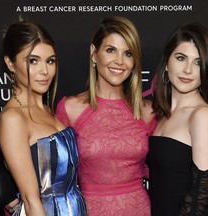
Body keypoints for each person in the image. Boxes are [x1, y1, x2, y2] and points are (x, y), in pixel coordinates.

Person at [56, 16, 156, 216]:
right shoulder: (70, 109)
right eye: (111, 50)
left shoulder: (147, 111)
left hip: (138, 209)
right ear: (94, 54)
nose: (119, 61)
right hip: (89, 210)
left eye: (128, 53)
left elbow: (163, 169)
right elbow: (52, 172)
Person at [0, 19, 87, 216]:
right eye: (33, 61)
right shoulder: (12, 118)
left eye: (50, 61)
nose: (44, 71)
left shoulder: (47, 109)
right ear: (10, 64)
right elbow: (31, 201)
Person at [146, 22, 208, 216]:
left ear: (207, 70)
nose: (188, 69)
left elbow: (200, 197)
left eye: (198, 62)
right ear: (167, 63)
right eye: (181, 58)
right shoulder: (161, 114)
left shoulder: (202, 115)